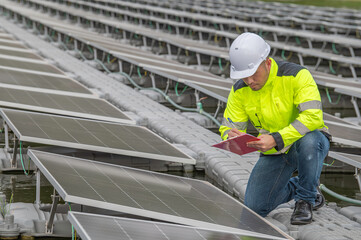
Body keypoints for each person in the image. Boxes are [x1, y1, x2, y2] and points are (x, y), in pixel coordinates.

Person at [219, 32, 331, 225]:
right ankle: (306, 186)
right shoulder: (240, 90)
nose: (250, 81)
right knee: (255, 207)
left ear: (267, 62)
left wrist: (277, 138)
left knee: (310, 140)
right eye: (244, 77)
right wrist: (230, 134)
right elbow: (229, 125)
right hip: (274, 150)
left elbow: (313, 117)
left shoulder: (297, 75)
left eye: (254, 74)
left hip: (306, 144)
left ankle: (305, 200)